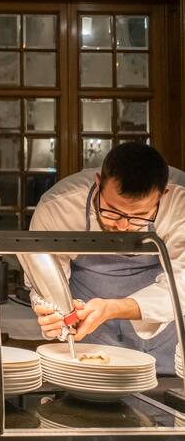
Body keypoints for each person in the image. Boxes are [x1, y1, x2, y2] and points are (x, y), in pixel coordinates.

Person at [30, 143, 185, 375]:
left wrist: (114, 307)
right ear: (98, 182)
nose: (123, 226)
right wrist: (54, 313)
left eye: (140, 216)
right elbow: (43, 278)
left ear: (163, 195)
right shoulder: (59, 206)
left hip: (164, 337)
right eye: (112, 210)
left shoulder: (181, 201)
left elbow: (182, 282)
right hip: (88, 336)